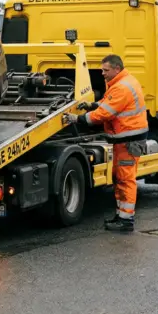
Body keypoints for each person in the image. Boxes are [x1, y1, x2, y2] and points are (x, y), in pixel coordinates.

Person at [64, 54, 149, 232]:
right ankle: (122, 216)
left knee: (125, 180)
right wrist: (92, 105)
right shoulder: (122, 82)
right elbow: (107, 103)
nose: (102, 73)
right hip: (125, 141)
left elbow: (105, 114)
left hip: (128, 141)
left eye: (105, 70)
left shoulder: (122, 87)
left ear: (116, 69)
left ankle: (126, 220)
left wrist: (78, 119)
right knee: (120, 178)